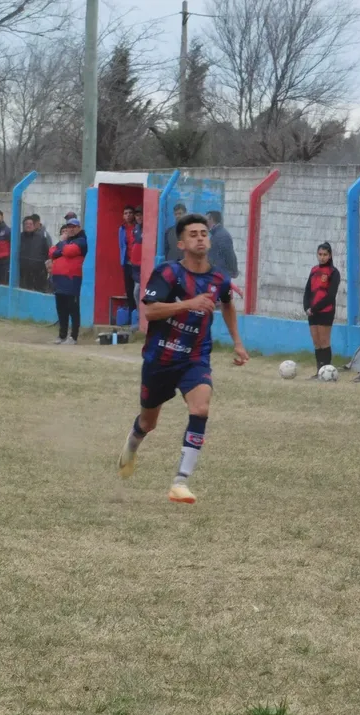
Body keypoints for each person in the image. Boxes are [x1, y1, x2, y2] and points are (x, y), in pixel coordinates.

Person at [116, 212, 249, 505]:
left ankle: (180, 482)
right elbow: (149, 312)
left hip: (195, 358)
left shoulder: (218, 278)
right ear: (181, 243)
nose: (200, 237)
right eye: (193, 234)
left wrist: (238, 343)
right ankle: (131, 446)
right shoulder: (168, 274)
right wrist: (189, 304)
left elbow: (226, 303)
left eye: (204, 233)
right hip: (160, 358)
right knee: (149, 422)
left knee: (200, 409)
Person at [303, 241, 340, 378]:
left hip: (325, 311)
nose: (322, 257)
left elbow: (331, 296)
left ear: (330, 256)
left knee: (324, 341)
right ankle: (319, 371)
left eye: (325, 254)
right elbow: (307, 290)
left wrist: (315, 308)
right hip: (312, 312)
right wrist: (306, 307)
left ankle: (327, 372)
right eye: (320, 254)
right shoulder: (314, 270)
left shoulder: (333, 272)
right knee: (316, 341)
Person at [49, 218, 87, 344]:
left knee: (73, 309)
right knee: (61, 309)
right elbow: (51, 252)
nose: (71, 229)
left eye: (73, 226)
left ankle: (73, 337)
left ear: (79, 228)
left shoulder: (81, 241)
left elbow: (68, 251)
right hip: (59, 280)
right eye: (69, 227)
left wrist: (61, 244)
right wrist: (62, 246)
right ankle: (62, 335)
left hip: (72, 280)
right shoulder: (68, 241)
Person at [118, 205, 142, 314]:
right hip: (127, 262)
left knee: (137, 290)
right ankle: (133, 314)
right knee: (129, 289)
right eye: (125, 213)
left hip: (137, 263)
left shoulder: (139, 227)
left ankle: (139, 313)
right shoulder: (121, 229)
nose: (128, 215)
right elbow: (122, 245)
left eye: (130, 213)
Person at [21, 215, 51, 292]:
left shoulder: (41, 238)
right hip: (23, 273)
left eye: (30, 224)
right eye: (26, 224)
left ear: (34, 226)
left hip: (39, 273)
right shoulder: (19, 237)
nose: (28, 225)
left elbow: (47, 253)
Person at [206, 210, 239, 277]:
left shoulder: (222, 235)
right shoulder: (215, 234)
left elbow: (229, 255)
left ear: (211, 219)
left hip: (221, 275)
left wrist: (233, 272)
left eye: (206, 220)